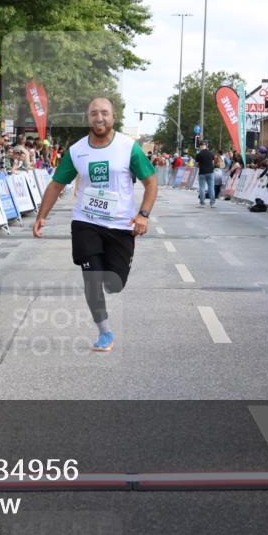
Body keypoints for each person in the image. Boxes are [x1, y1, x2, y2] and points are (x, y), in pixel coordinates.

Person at [32, 97, 157, 352]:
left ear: (113, 117)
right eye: (94, 113)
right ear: (87, 118)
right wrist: (41, 215)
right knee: (92, 278)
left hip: (120, 225)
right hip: (85, 221)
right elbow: (56, 185)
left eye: (104, 113)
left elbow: (151, 182)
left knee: (114, 284)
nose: (99, 118)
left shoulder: (128, 147)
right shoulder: (77, 151)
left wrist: (143, 214)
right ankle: (104, 332)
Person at [195, 142, 216, 207]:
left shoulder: (199, 154)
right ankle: (212, 203)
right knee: (211, 187)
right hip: (210, 172)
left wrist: (200, 165)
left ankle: (202, 203)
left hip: (202, 172)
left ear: (200, 146)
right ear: (206, 146)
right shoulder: (211, 153)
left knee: (202, 187)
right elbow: (213, 163)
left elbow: (196, 164)